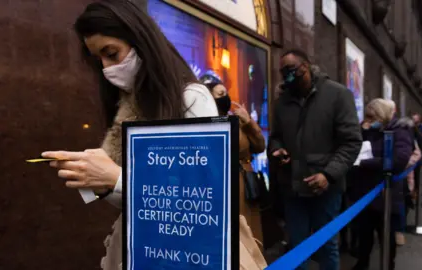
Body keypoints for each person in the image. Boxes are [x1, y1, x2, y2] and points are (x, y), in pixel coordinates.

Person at [40, 1, 218, 269]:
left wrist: (116, 178)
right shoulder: (128, 104)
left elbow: (206, 199)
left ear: (140, 40)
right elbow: (134, 203)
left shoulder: (191, 98)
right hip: (140, 248)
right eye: (97, 59)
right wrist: (98, 181)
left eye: (111, 53)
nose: (106, 68)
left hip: (184, 254)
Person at [269, 49, 362, 270]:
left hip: (325, 189)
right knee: (297, 246)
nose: (287, 77)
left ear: (306, 66)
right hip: (292, 186)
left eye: (291, 70)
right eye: (283, 72)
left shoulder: (338, 95)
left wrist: (329, 174)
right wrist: (278, 150)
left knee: (326, 246)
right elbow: (276, 138)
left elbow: (351, 142)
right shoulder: (283, 101)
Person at [201, 77, 266, 242]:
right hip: (222, 184)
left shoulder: (238, 120)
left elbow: (260, 146)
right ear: (210, 99)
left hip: (246, 185)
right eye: (221, 94)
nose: (226, 97)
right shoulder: (204, 124)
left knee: (250, 233)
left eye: (226, 93)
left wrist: (248, 122)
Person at [350, 99, 412, 270]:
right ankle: (362, 263)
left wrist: (365, 163)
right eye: (367, 117)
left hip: (386, 194)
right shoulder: (371, 130)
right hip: (364, 192)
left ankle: (387, 266)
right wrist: (362, 132)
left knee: (387, 237)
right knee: (364, 235)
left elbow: (398, 161)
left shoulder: (399, 132)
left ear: (382, 115)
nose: (369, 120)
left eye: (372, 116)